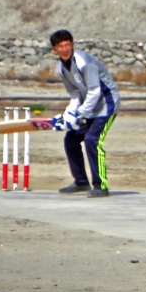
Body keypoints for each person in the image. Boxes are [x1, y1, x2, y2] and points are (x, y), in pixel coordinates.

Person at [50, 29, 120, 198]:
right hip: (89, 109)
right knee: (71, 138)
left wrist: (79, 113)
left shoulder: (84, 62)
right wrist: (68, 115)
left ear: (72, 45)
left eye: (67, 45)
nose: (65, 49)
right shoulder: (62, 67)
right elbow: (75, 94)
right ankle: (81, 181)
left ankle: (101, 186)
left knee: (92, 140)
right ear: (54, 49)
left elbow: (95, 91)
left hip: (106, 106)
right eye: (61, 46)